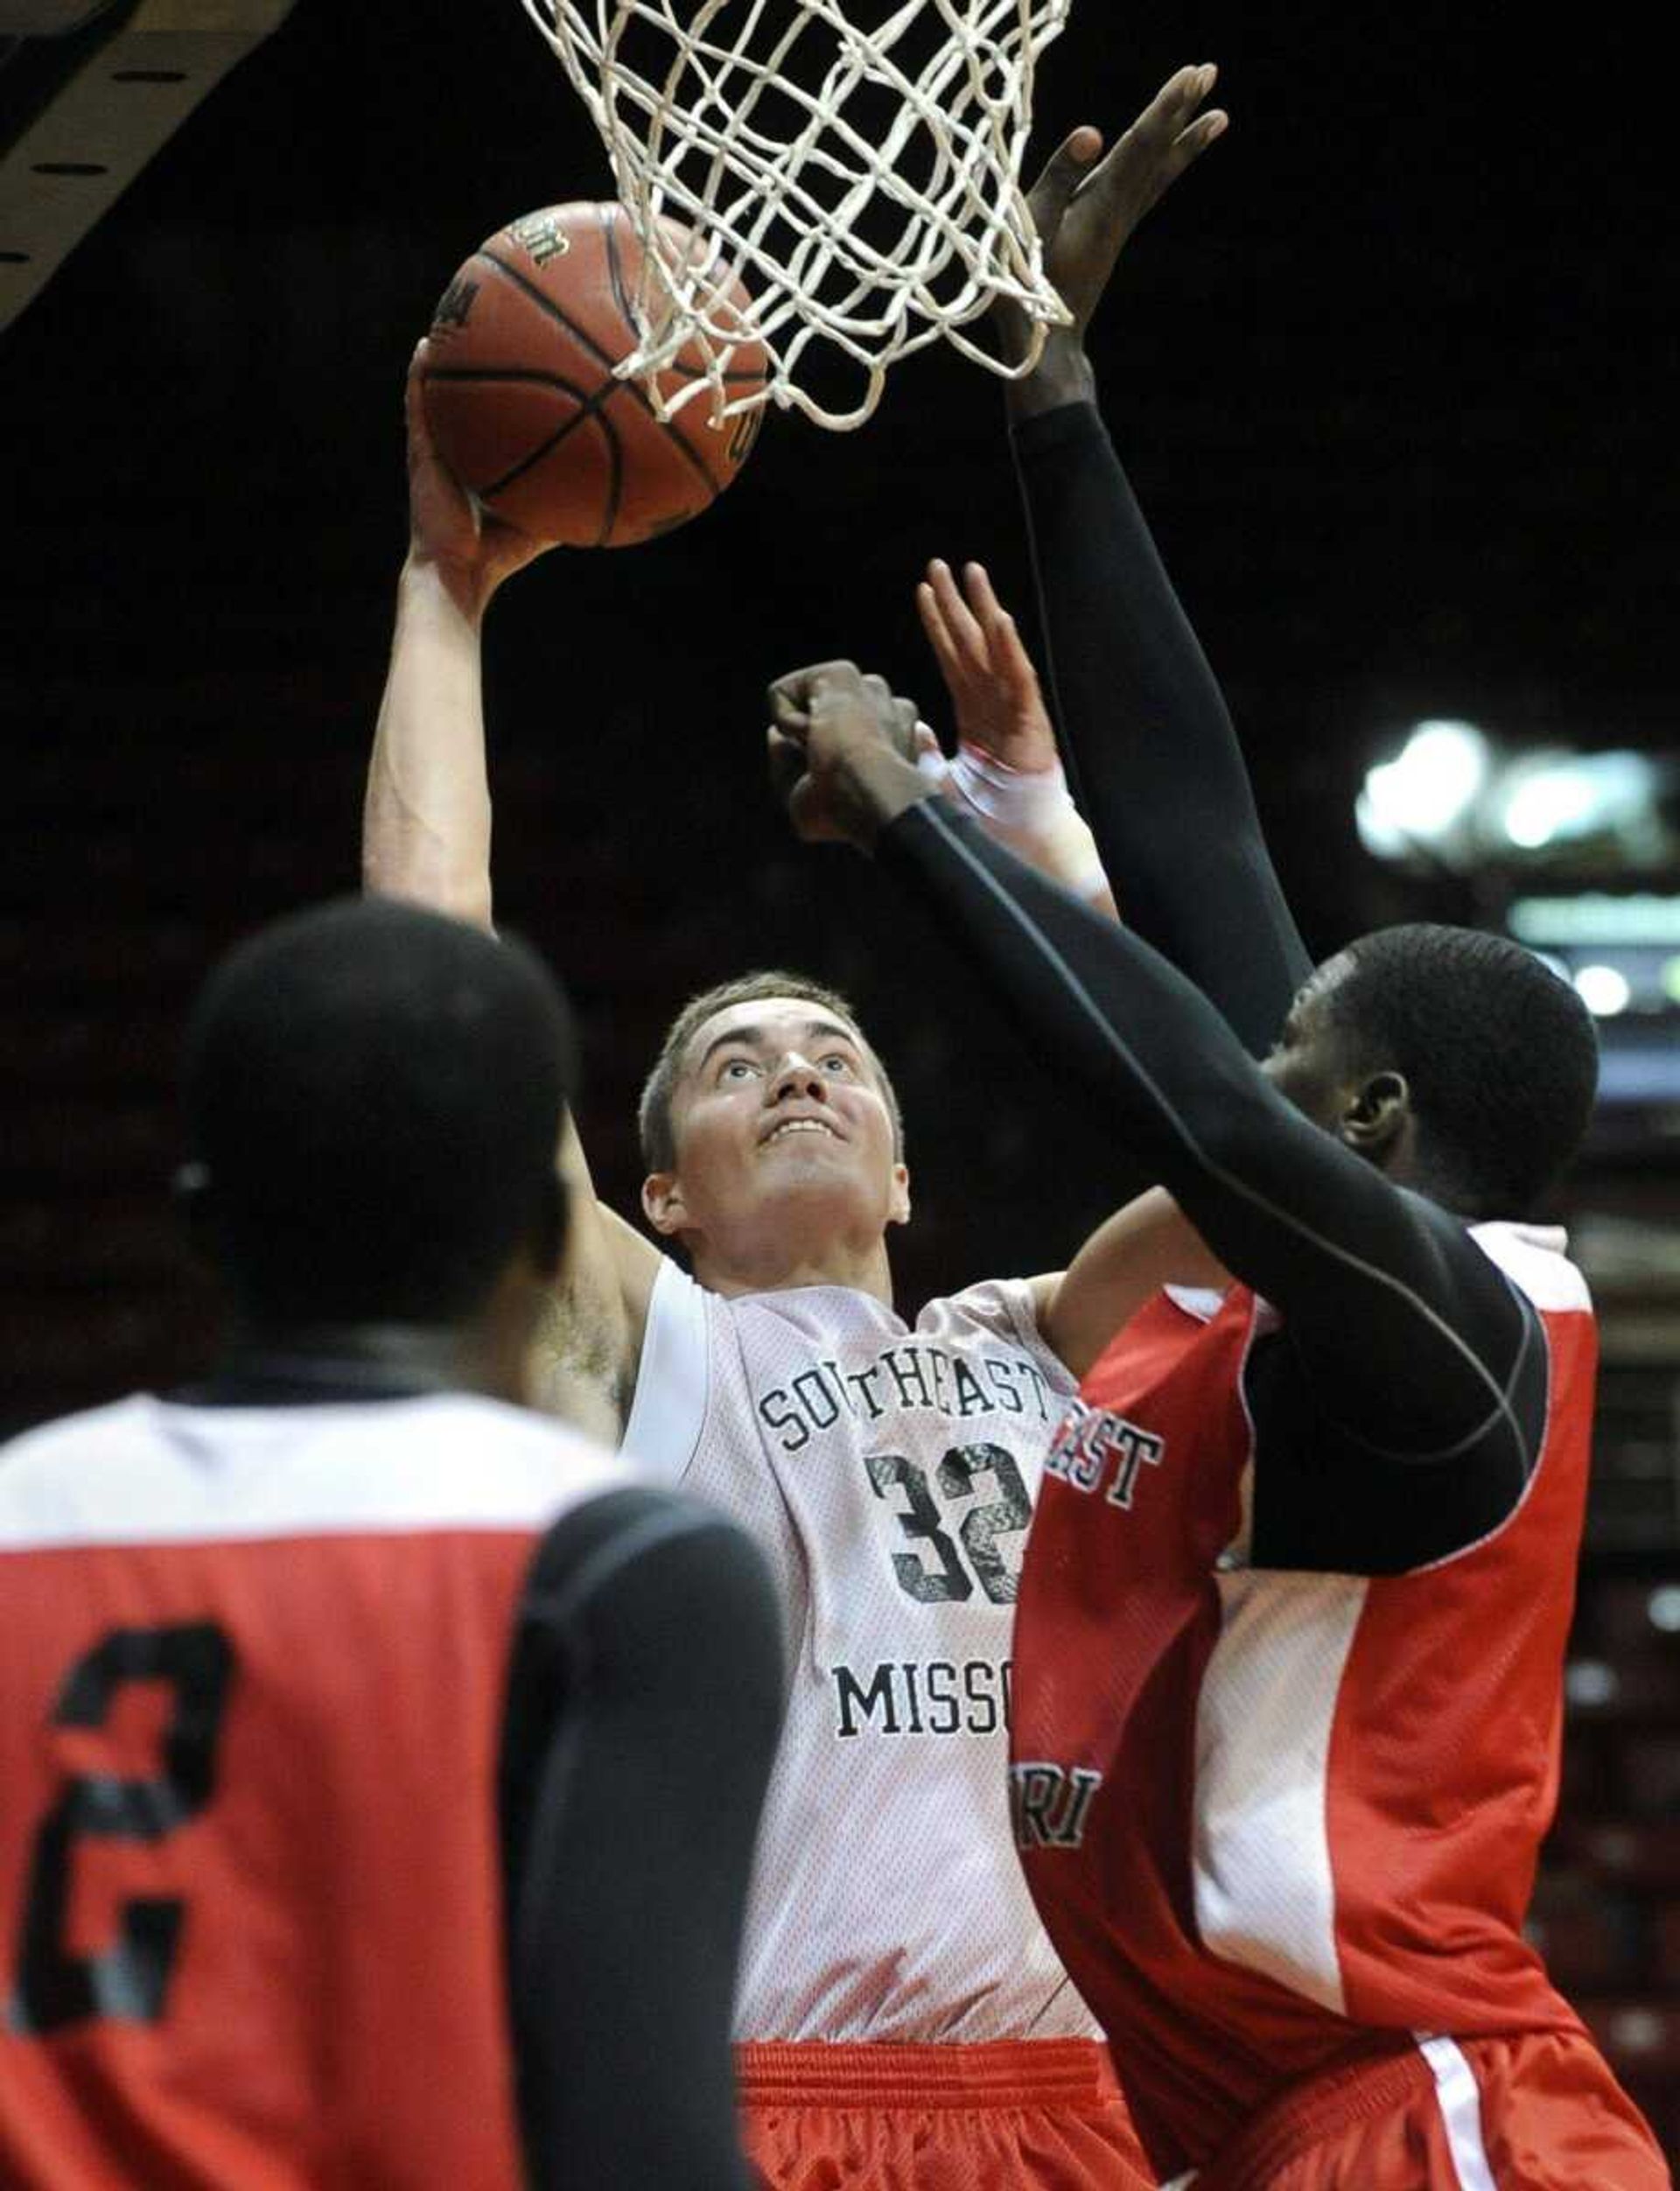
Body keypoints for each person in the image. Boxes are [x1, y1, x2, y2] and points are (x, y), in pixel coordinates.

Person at [762, 108, 1671, 2187]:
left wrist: (910, 819)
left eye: (1291, 1048)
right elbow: (1198, 833)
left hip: (1428, 2118)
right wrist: (1051, 394)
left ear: (1367, 1119)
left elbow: (1179, 1083)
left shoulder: (1456, 1336)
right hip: (1262, 2124)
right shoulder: (1324, 1278)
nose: (1252, 1049)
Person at [361, 67, 1232, 2191]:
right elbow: (436, 985)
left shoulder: (1039, 1339)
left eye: (832, 1048)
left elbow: (1239, 1135)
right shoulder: (658, 1349)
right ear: (656, 1191)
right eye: (738, 1063)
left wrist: (1030, 825)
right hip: (770, 2110)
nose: (802, 1070)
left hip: (1075, 2109)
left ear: (914, 1166)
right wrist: (443, 599)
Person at [0, 896, 782, 2191]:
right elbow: (638, 2147)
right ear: (546, 1243)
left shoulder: (21, 1512)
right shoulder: (618, 1565)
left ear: (199, 1226)